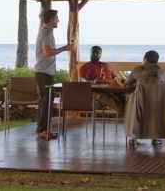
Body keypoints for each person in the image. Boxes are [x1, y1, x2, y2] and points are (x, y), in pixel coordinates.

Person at [33, 9, 72, 141]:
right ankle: (42, 130)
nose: (58, 21)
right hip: (43, 72)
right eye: (56, 18)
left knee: (45, 102)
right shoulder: (46, 32)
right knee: (46, 102)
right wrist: (64, 48)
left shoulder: (47, 31)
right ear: (50, 20)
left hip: (45, 72)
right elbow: (47, 52)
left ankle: (42, 130)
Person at [124, 50, 165, 146]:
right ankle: (155, 137)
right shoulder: (163, 72)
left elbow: (127, 83)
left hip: (141, 104)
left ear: (144, 59)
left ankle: (133, 136)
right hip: (159, 106)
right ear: (157, 61)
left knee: (130, 101)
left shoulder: (138, 70)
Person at [79, 45, 125, 116]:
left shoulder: (106, 65)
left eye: (99, 53)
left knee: (126, 97)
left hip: (112, 91)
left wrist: (118, 80)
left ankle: (124, 111)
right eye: (94, 52)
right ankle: (122, 112)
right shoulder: (85, 67)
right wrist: (94, 81)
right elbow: (83, 81)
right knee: (108, 99)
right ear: (90, 53)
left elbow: (116, 77)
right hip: (97, 93)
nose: (96, 54)